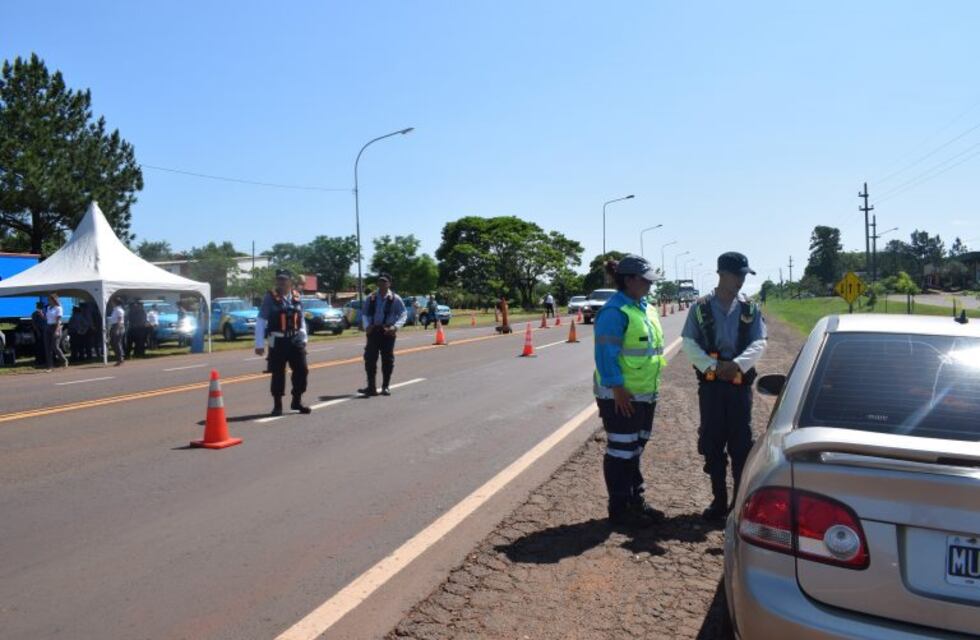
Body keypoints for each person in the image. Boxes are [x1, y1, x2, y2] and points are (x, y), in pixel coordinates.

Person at [681, 252, 767, 521]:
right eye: (737, 274)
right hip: (711, 388)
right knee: (711, 442)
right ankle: (719, 501)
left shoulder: (749, 309)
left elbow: (759, 342)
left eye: (744, 275)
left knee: (741, 445)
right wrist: (712, 365)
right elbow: (688, 342)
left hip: (740, 388)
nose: (741, 280)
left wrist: (738, 364)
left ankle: (738, 505)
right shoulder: (701, 308)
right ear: (721, 274)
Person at [593, 255, 668, 528]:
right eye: (646, 280)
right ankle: (619, 507)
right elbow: (605, 354)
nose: (650, 285)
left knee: (635, 449)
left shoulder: (645, 308)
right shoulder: (614, 312)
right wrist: (618, 389)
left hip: (646, 393)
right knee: (621, 451)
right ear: (629, 280)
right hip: (621, 396)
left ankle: (636, 500)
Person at [255, 269, 311, 416]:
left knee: (302, 370)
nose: (281, 283)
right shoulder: (270, 298)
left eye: (284, 280)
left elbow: (301, 319)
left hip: (295, 339)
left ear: (290, 282)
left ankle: (297, 400)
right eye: (279, 280)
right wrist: (259, 344)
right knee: (278, 373)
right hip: (278, 340)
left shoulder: (297, 297)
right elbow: (261, 320)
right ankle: (277, 405)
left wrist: (304, 338)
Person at [359, 273, 407, 396]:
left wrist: (395, 327)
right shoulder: (371, 297)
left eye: (384, 281)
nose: (382, 284)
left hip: (388, 332)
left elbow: (403, 314)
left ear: (389, 284)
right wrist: (366, 326)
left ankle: (385, 386)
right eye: (380, 281)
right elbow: (364, 313)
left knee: (387, 360)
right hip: (374, 331)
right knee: (370, 359)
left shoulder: (395, 298)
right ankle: (371, 387)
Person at [44, 294, 67, 371]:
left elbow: (58, 320)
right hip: (48, 326)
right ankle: (50, 366)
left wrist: (57, 330)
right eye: (48, 300)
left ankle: (64, 360)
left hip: (55, 327)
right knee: (47, 347)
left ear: (54, 300)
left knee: (55, 346)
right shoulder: (48, 308)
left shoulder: (58, 308)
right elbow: (47, 318)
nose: (48, 301)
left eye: (50, 300)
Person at [109, 298, 126, 365]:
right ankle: (119, 357)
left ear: (116, 303)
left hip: (118, 326)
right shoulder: (115, 310)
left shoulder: (119, 310)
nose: (111, 304)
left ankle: (120, 357)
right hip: (114, 326)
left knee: (117, 342)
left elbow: (119, 319)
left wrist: (117, 329)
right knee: (113, 342)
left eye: (113, 302)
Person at [31, 302, 46, 367]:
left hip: (44, 331)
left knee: (44, 346)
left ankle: (44, 359)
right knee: (39, 346)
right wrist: (37, 331)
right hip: (39, 331)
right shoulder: (35, 314)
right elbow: (34, 324)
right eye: (39, 305)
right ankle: (39, 360)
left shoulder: (44, 313)